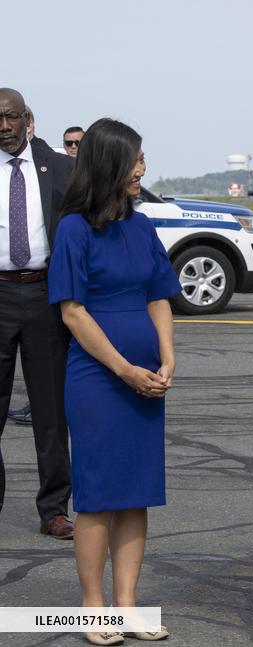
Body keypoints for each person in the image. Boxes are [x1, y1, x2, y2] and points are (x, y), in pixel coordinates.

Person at [48, 118, 179, 645]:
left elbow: (159, 297)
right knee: (99, 496)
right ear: (108, 163)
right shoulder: (75, 229)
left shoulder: (143, 227)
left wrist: (168, 359)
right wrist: (124, 368)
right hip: (99, 380)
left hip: (148, 381)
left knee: (135, 494)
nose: (142, 168)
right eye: (134, 159)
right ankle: (93, 608)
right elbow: (73, 312)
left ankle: (126, 607)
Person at [0, 88, 75, 540]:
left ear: (27, 118)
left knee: (51, 412)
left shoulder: (61, 169)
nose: (3, 126)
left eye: (10, 117)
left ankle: (53, 510)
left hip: (46, 295)